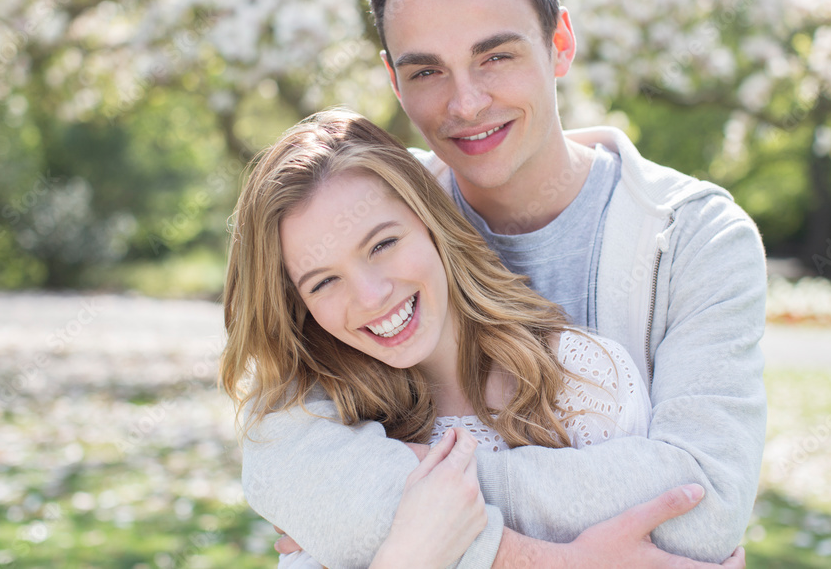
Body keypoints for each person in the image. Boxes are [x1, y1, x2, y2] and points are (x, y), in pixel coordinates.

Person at [237, 0, 766, 567]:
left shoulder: (693, 237)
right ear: (395, 82)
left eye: (495, 55)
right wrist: (543, 558)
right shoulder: (370, 215)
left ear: (560, 43)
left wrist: (391, 488)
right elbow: (281, 459)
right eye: (427, 71)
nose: (466, 102)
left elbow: (702, 510)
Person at [222, 110, 655, 567]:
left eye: (382, 244)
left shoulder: (584, 380)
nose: (372, 297)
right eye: (323, 282)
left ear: (431, 220)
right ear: (300, 308)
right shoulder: (329, 439)